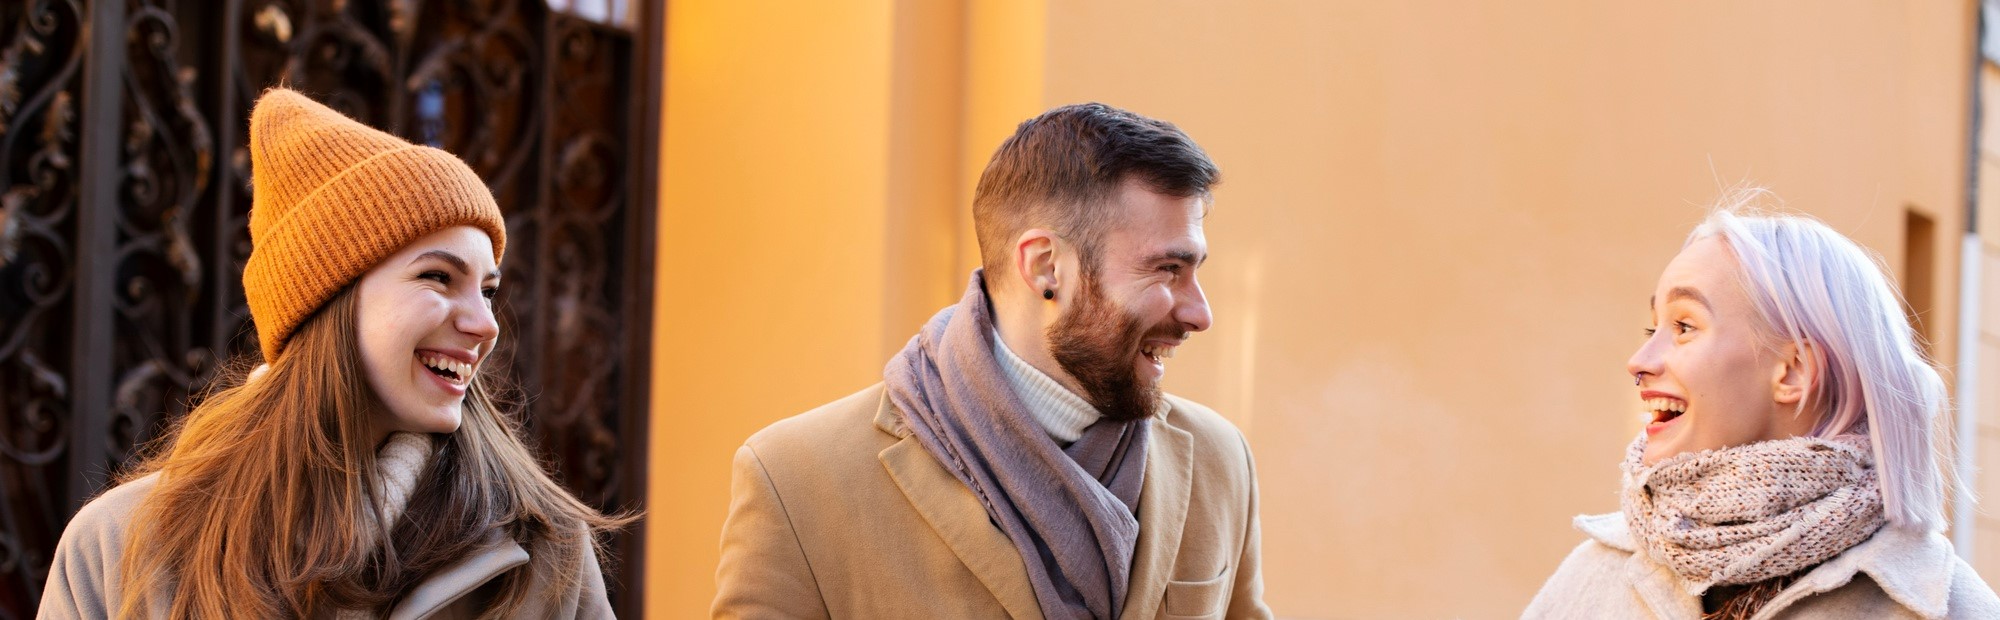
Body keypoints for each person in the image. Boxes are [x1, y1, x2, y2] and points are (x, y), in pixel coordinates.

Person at [38, 88, 626, 619]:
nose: (485, 324)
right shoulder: (121, 548)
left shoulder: (545, 550)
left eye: (489, 290)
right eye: (439, 278)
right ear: (328, 301)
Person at [712, 102, 1269, 619]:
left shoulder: (1223, 462)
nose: (1200, 313)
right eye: (1167, 270)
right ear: (1047, 266)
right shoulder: (796, 481)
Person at [1525, 190, 2000, 619]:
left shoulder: (1938, 608)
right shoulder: (1591, 577)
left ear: (1793, 370)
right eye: (1654, 330)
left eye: (1685, 327)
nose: (1639, 362)